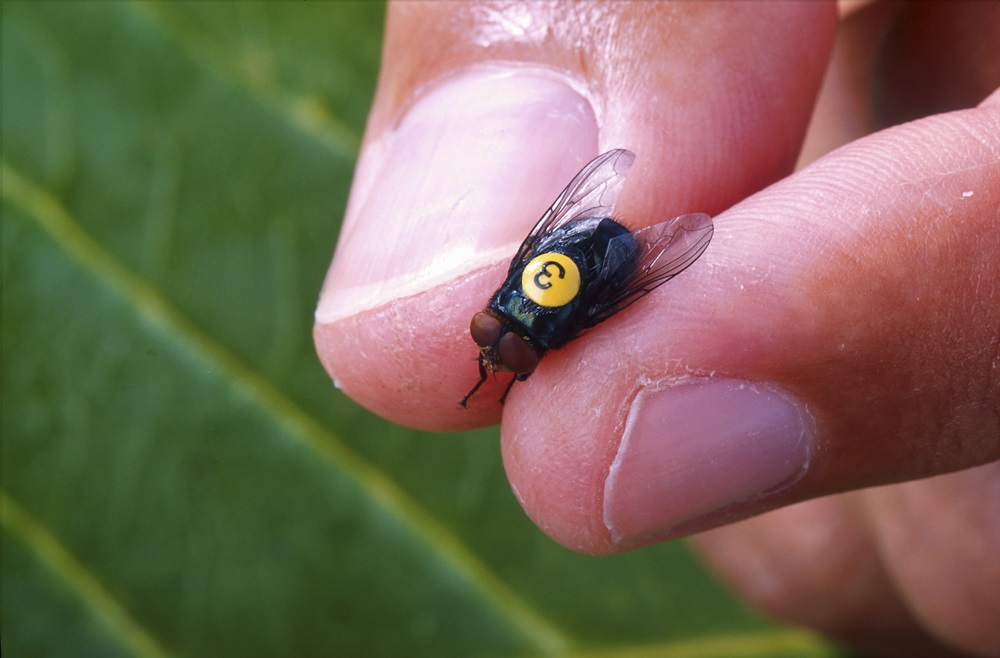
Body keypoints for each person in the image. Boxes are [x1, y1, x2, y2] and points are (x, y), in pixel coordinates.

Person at [313, 2, 999, 656]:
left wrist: (593, 299)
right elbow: (556, 228)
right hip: (585, 245)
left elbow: (612, 287)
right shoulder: (517, 307)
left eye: (497, 343)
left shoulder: (530, 325)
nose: (495, 354)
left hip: (613, 256)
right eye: (502, 347)